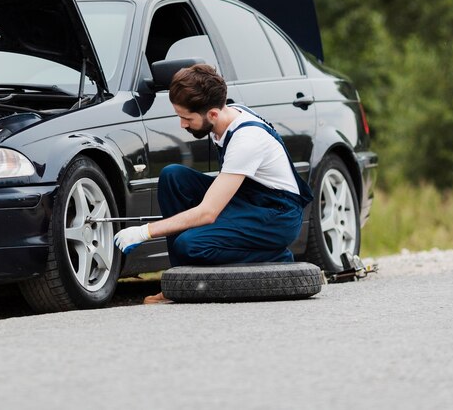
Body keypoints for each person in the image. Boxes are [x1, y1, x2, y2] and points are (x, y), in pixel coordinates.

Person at [113, 64, 313, 303]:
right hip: (249, 199)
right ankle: (180, 284)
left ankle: (274, 254)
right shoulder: (226, 114)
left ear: (213, 115)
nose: (182, 125)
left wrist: (144, 232)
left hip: (277, 216)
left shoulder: (246, 140)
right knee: (173, 176)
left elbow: (208, 213)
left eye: (187, 118)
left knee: (190, 245)